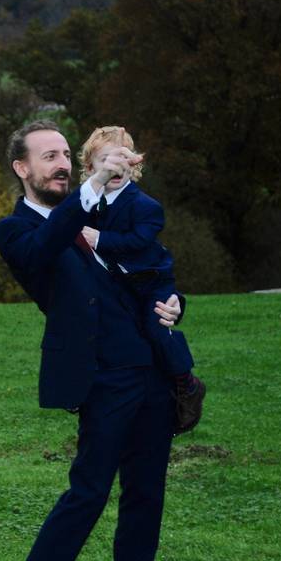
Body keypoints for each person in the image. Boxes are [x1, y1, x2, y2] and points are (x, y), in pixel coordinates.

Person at [0, 120, 194, 561]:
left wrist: (174, 302)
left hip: (152, 370)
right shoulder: (16, 230)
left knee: (146, 496)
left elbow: (150, 263)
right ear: (21, 168)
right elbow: (46, 248)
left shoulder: (103, 211)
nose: (63, 165)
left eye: (66, 155)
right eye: (50, 157)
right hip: (104, 377)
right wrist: (94, 184)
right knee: (87, 494)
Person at [78, 125, 205, 434]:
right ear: (90, 168)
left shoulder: (147, 207)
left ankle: (186, 383)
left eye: (123, 159)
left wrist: (100, 238)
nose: (115, 166)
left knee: (156, 328)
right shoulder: (89, 202)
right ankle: (84, 390)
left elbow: (138, 241)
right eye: (106, 160)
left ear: (134, 165)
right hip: (116, 286)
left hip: (151, 282)